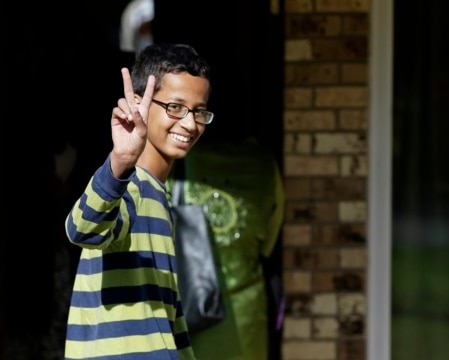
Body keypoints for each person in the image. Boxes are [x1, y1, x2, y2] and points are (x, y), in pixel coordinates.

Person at [63, 43, 213, 360]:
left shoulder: (157, 195)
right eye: (175, 107)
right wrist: (119, 162)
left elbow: (167, 314)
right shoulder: (129, 187)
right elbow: (82, 229)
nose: (189, 123)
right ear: (137, 103)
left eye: (199, 111)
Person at [168, 136, 285, 360]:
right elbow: (270, 235)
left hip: (188, 310)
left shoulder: (176, 157)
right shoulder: (263, 163)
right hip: (245, 314)